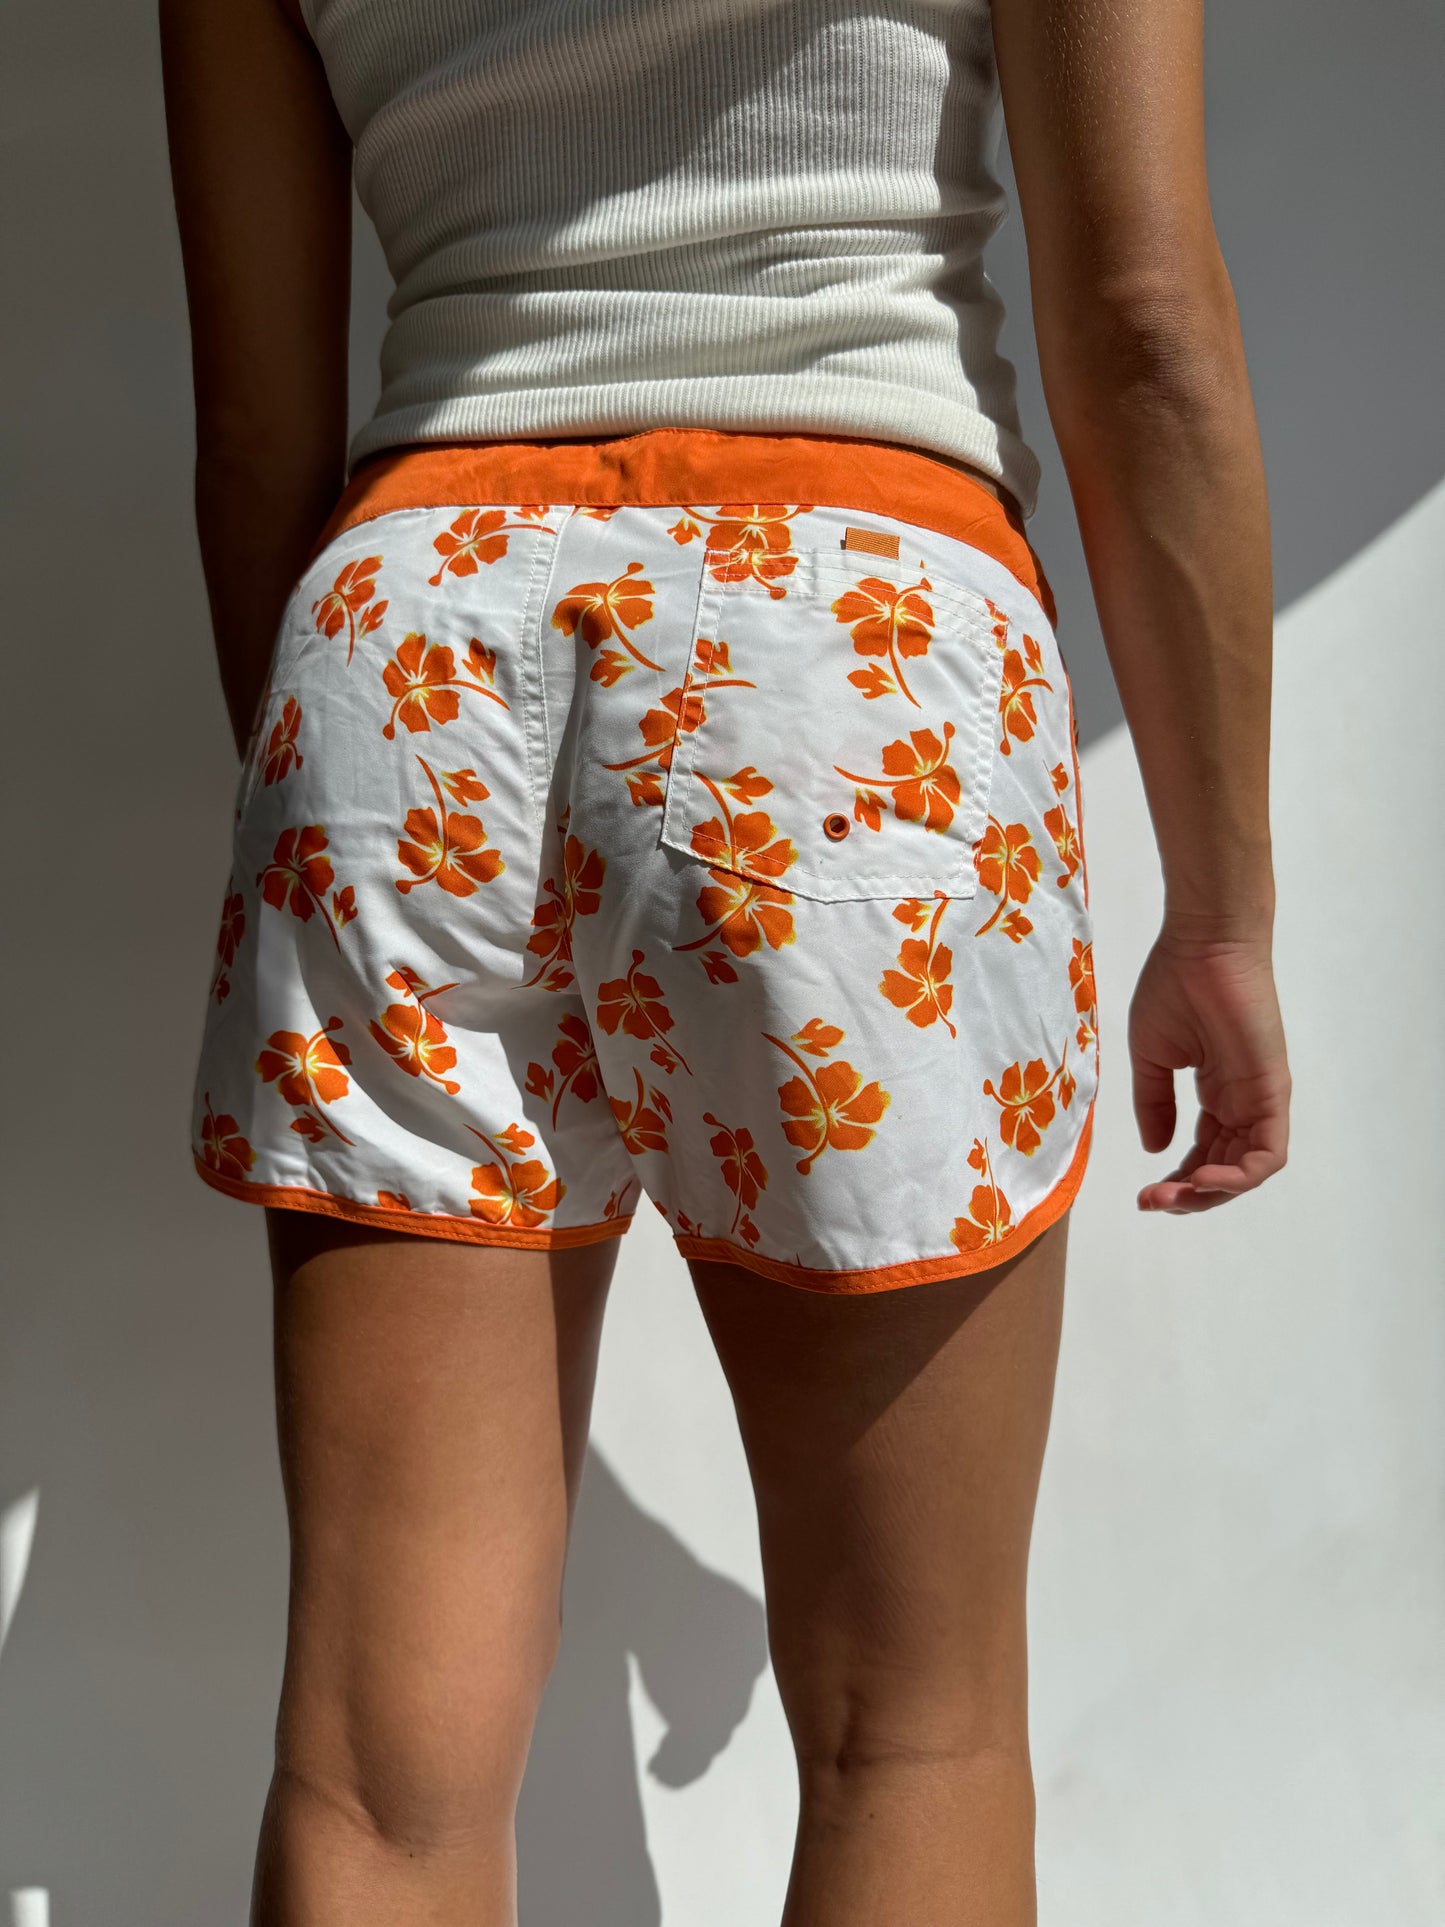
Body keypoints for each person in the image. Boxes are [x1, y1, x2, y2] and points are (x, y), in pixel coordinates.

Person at [159, 0, 1290, 1917]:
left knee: (375, 1776)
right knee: (910, 1732)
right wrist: (1223, 905)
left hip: (411, 628)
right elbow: (1142, 326)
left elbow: (259, 430)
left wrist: (346, 820)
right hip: (850, 644)